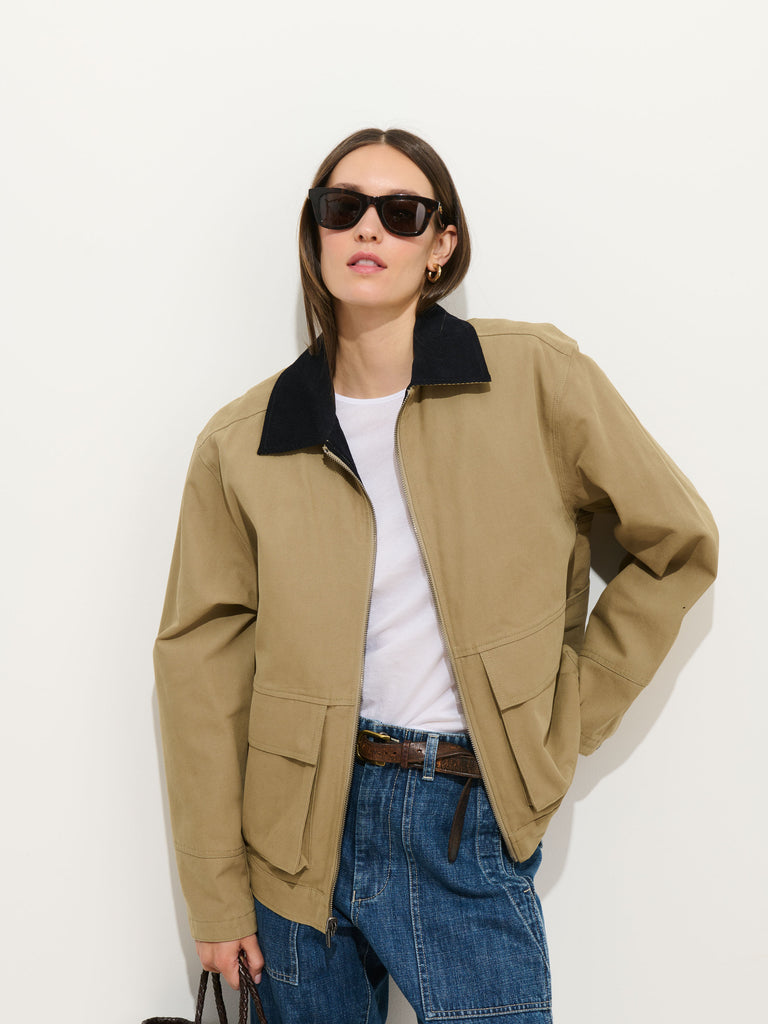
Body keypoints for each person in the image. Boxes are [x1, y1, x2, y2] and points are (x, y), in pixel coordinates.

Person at [154, 127, 718, 1023]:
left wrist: (564, 715)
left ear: (441, 245)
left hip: (459, 815)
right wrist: (218, 896)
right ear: (314, 233)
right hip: (294, 842)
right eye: (343, 208)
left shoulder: (531, 377)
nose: (368, 229)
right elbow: (201, 673)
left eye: (402, 213)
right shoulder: (245, 440)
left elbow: (678, 543)